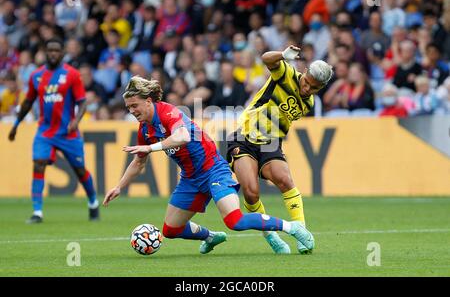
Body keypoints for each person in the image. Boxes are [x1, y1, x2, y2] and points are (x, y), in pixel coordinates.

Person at [102, 76, 314, 255]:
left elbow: (182, 136)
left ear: (148, 101)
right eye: (128, 107)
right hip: (190, 179)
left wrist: (151, 148)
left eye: (134, 106)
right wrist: (120, 186)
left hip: (213, 170)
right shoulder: (145, 129)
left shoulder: (168, 112)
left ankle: (291, 227)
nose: (131, 111)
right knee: (170, 230)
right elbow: (138, 162)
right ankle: (211, 237)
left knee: (235, 221)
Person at [226, 45, 333, 254]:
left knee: (285, 180)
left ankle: (302, 233)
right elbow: (266, 58)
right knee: (250, 193)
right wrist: (283, 56)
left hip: (271, 142)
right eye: (307, 83)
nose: (307, 89)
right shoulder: (287, 74)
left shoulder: (308, 103)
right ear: (305, 74)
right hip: (245, 137)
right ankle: (272, 237)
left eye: (314, 88)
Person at [8, 38, 99, 224]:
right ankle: (37, 212)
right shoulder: (36, 76)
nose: (52, 53)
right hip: (45, 132)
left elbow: (82, 102)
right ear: (45, 52)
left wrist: (76, 120)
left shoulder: (72, 74)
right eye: (49, 50)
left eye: (56, 50)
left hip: (68, 133)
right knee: (39, 163)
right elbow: (27, 102)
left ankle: (93, 202)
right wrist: (16, 124)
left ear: (62, 53)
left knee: (80, 171)